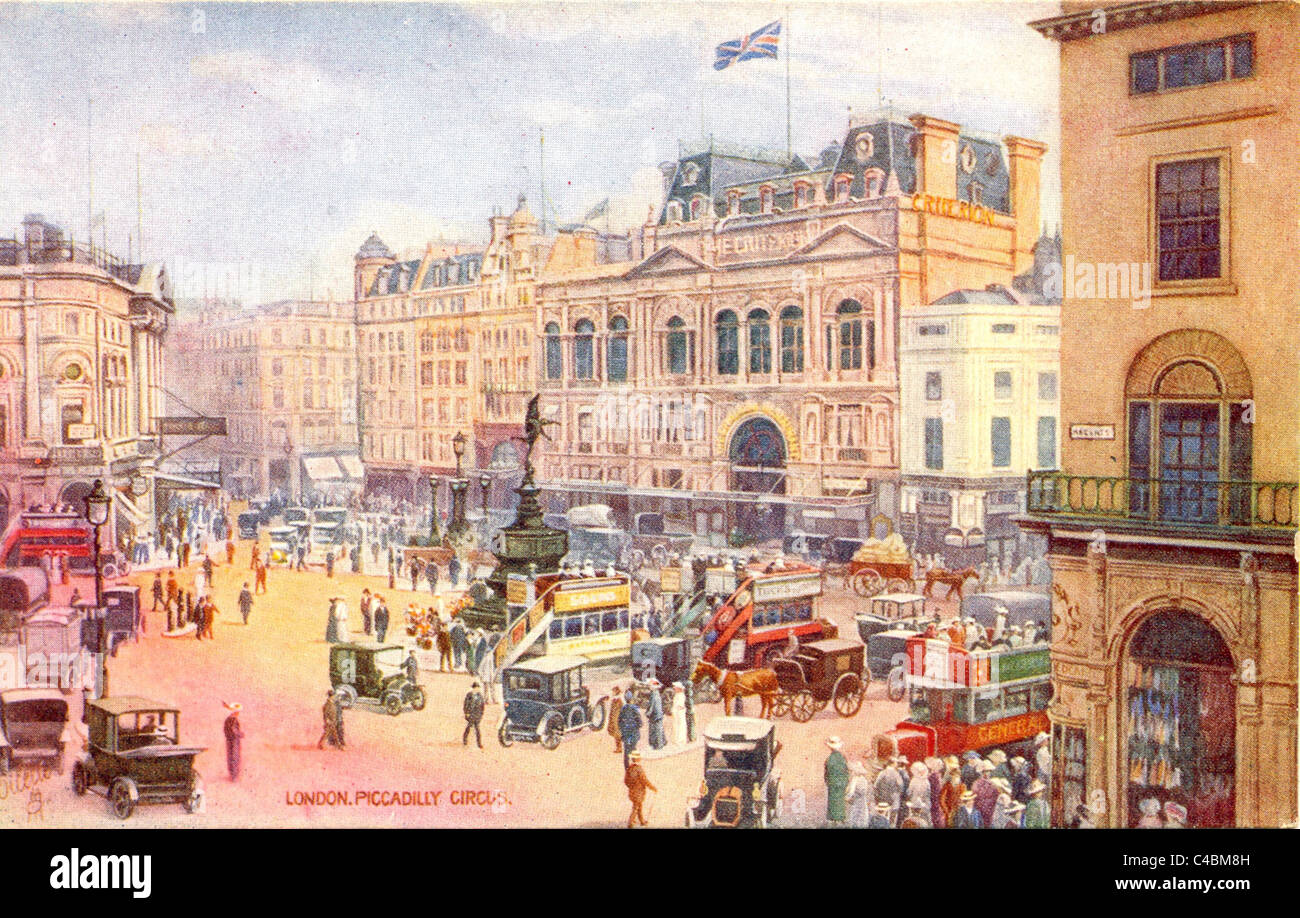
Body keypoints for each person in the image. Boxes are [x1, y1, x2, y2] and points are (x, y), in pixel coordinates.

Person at [623, 750, 656, 828]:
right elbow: (644, 780)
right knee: (636, 807)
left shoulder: (629, 768)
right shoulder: (639, 769)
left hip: (632, 791)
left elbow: (625, 781)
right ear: (638, 759)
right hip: (639, 791)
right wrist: (652, 788)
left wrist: (631, 787)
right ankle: (630, 822)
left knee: (639, 806)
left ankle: (642, 821)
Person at [824, 736, 850, 826]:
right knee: (840, 801)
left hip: (832, 784)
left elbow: (826, 773)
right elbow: (846, 771)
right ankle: (841, 818)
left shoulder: (829, 759)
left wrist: (828, 782)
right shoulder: (842, 758)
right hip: (842, 783)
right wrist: (846, 782)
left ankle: (834, 819)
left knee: (833, 801)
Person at [618, 689, 641, 770]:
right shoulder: (634, 708)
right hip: (633, 732)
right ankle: (636, 765)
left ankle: (627, 768)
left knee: (626, 751)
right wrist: (637, 727)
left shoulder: (623, 709)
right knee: (634, 748)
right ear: (631, 699)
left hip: (626, 733)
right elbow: (639, 722)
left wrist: (622, 730)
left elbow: (619, 721)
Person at [223, 702, 243, 781]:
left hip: (229, 739)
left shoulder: (228, 719)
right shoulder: (233, 720)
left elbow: (225, 730)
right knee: (234, 756)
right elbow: (234, 731)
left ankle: (232, 774)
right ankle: (234, 775)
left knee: (230, 756)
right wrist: (240, 734)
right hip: (234, 740)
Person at [462, 681, 485, 748]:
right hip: (471, 714)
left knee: (477, 730)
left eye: (478, 688)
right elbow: (466, 704)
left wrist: (481, 714)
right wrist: (467, 713)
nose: (477, 689)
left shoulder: (480, 695)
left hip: (477, 714)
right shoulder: (469, 695)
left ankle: (479, 743)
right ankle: (465, 740)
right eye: (476, 688)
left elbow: (482, 706)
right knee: (469, 728)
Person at [646, 681, 666, 750]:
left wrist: (648, 713)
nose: (649, 687)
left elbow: (652, 705)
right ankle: (662, 743)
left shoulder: (654, 694)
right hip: (658, 714)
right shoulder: (656, 693)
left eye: (650, 686)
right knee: (659, 729)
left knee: (656, 730)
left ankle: (658, 745)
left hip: (655, 715)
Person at [608, 685, 624, 753]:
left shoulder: (619, 700)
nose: (612, 692)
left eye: (613, 691)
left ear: (616, 692)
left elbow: (619, 711)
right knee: (615, 734)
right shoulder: (614, 700)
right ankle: (618, 747)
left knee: (618, 734)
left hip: (617, 720)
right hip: (614, 719)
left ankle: (619, 748)